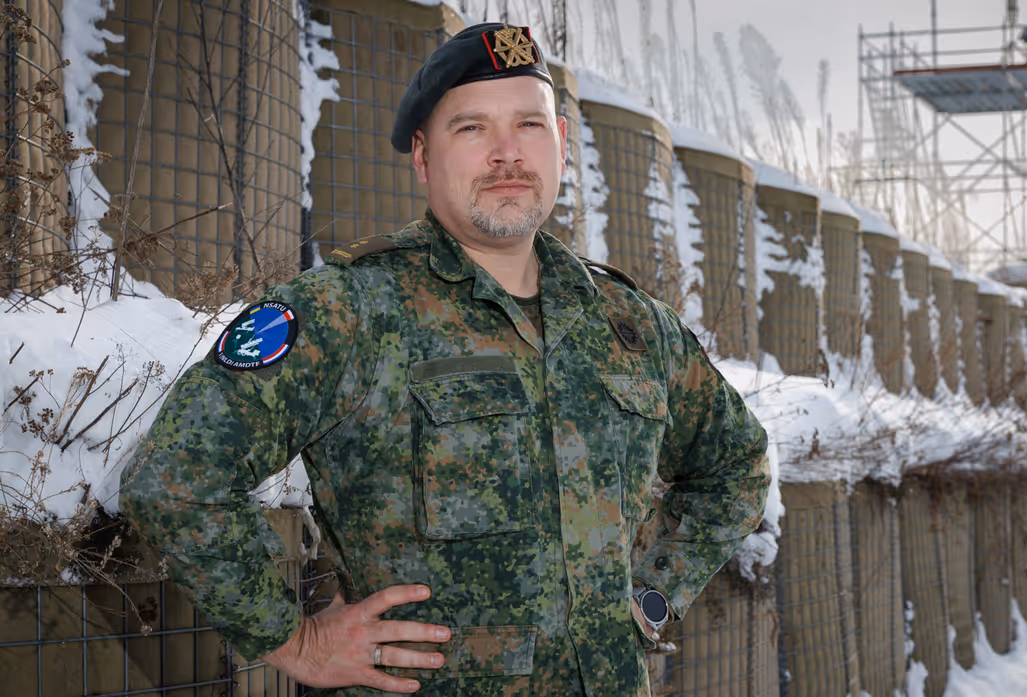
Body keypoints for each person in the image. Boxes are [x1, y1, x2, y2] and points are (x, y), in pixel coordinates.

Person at [120, 22, 769, 697]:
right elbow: (173, 478)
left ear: (562, 146)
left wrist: (654, 592)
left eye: (529, 124)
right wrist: (291, 637)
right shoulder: (350, 311)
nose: (507, 153)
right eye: (472, 129)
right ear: (423, 158)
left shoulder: (631, 324)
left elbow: (736, 463)